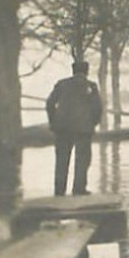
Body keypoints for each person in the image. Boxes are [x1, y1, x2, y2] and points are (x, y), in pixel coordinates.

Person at [45, 59, 103, 196]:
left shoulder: (61, 84)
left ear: (73, 71)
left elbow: (49, 103)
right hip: (83, 130)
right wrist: (92, 123)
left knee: (61, 160)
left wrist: (53, 121)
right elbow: (98, 108)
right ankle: (78, 189)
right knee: (82, 160)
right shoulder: (91, 86)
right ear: (86, 71)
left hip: (62, 128)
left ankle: (59, 191)